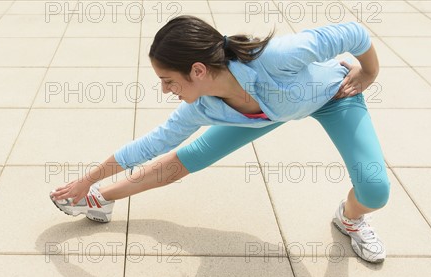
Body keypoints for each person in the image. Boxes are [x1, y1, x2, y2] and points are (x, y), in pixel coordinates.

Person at [50, 16, 390, 263]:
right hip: (264, 115)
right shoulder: (201, 106)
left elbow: (354, 32)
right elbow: (152, 145)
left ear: (197, 70)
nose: (165, 89)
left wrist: (369, 72)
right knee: (184, 160)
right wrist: (87, 180)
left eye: (168, 81)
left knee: (375, 190)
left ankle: (349, 218)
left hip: (334, 97)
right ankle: (99, 198)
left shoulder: (278, 57)